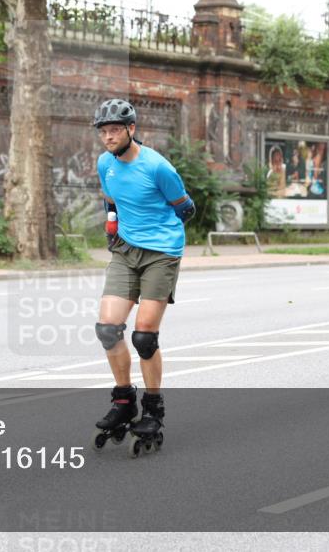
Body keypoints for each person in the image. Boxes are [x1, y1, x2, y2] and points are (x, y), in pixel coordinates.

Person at [90, 98, 194, 456]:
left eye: (115, 130)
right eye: (103, 131)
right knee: (107, 329)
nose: (108, 137)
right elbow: (111, 200)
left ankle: (153, 409)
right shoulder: (106, 164)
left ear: (131, 130)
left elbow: (186, 207)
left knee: (145, 337)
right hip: (125, 251)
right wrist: (113, 229)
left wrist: (161, 236)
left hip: (161, 254)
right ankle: (123, 402)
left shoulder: (157, 167)